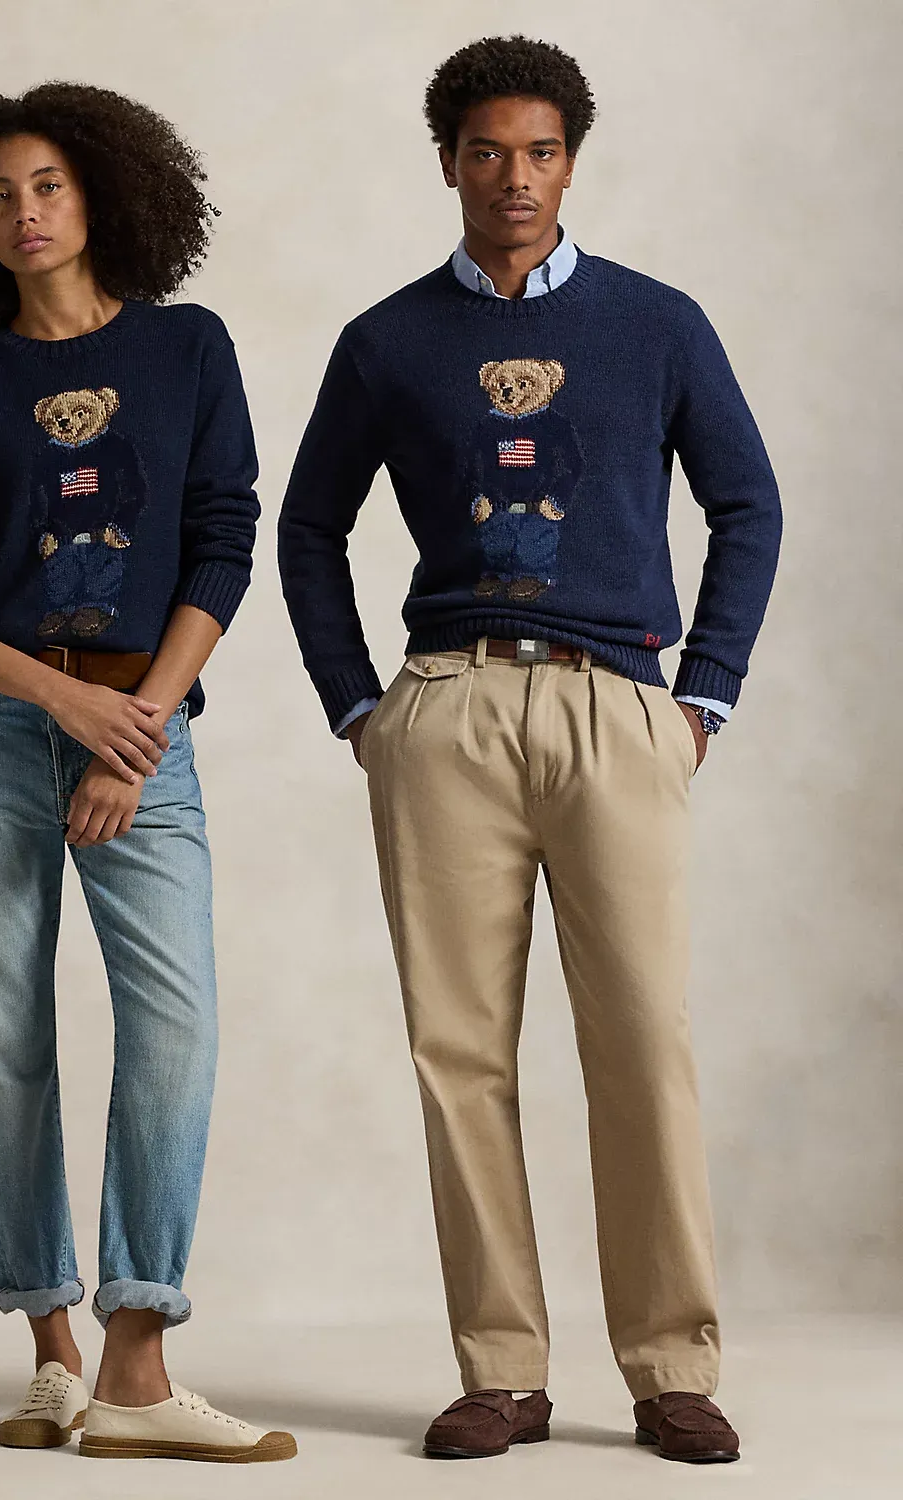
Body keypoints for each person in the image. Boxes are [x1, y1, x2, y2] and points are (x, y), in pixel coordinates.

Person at [279, 34, 780, 1466]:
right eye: (488, 151)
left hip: (620, 706)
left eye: (541, 152)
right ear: (448, 161)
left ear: (572, 163)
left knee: (643, 1040)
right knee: (459, 1052)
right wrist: (360, 709)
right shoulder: (387, 342)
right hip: (449, 710)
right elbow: (308, 528)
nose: (515, 176)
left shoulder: (658, 325)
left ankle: (671, 1367)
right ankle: (502, 1368)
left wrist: (704, 697)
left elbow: (748, 505)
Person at [0, 81, 295, 1465]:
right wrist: (59, 699)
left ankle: (138, 1355)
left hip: (141, 725)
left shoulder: (186, 348)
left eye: (45, 184)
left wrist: (136, 725)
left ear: (100, 192)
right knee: (2, 1039)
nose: (24, 213)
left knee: (174, 1023)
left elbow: (223, 537)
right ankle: (51, 1350)